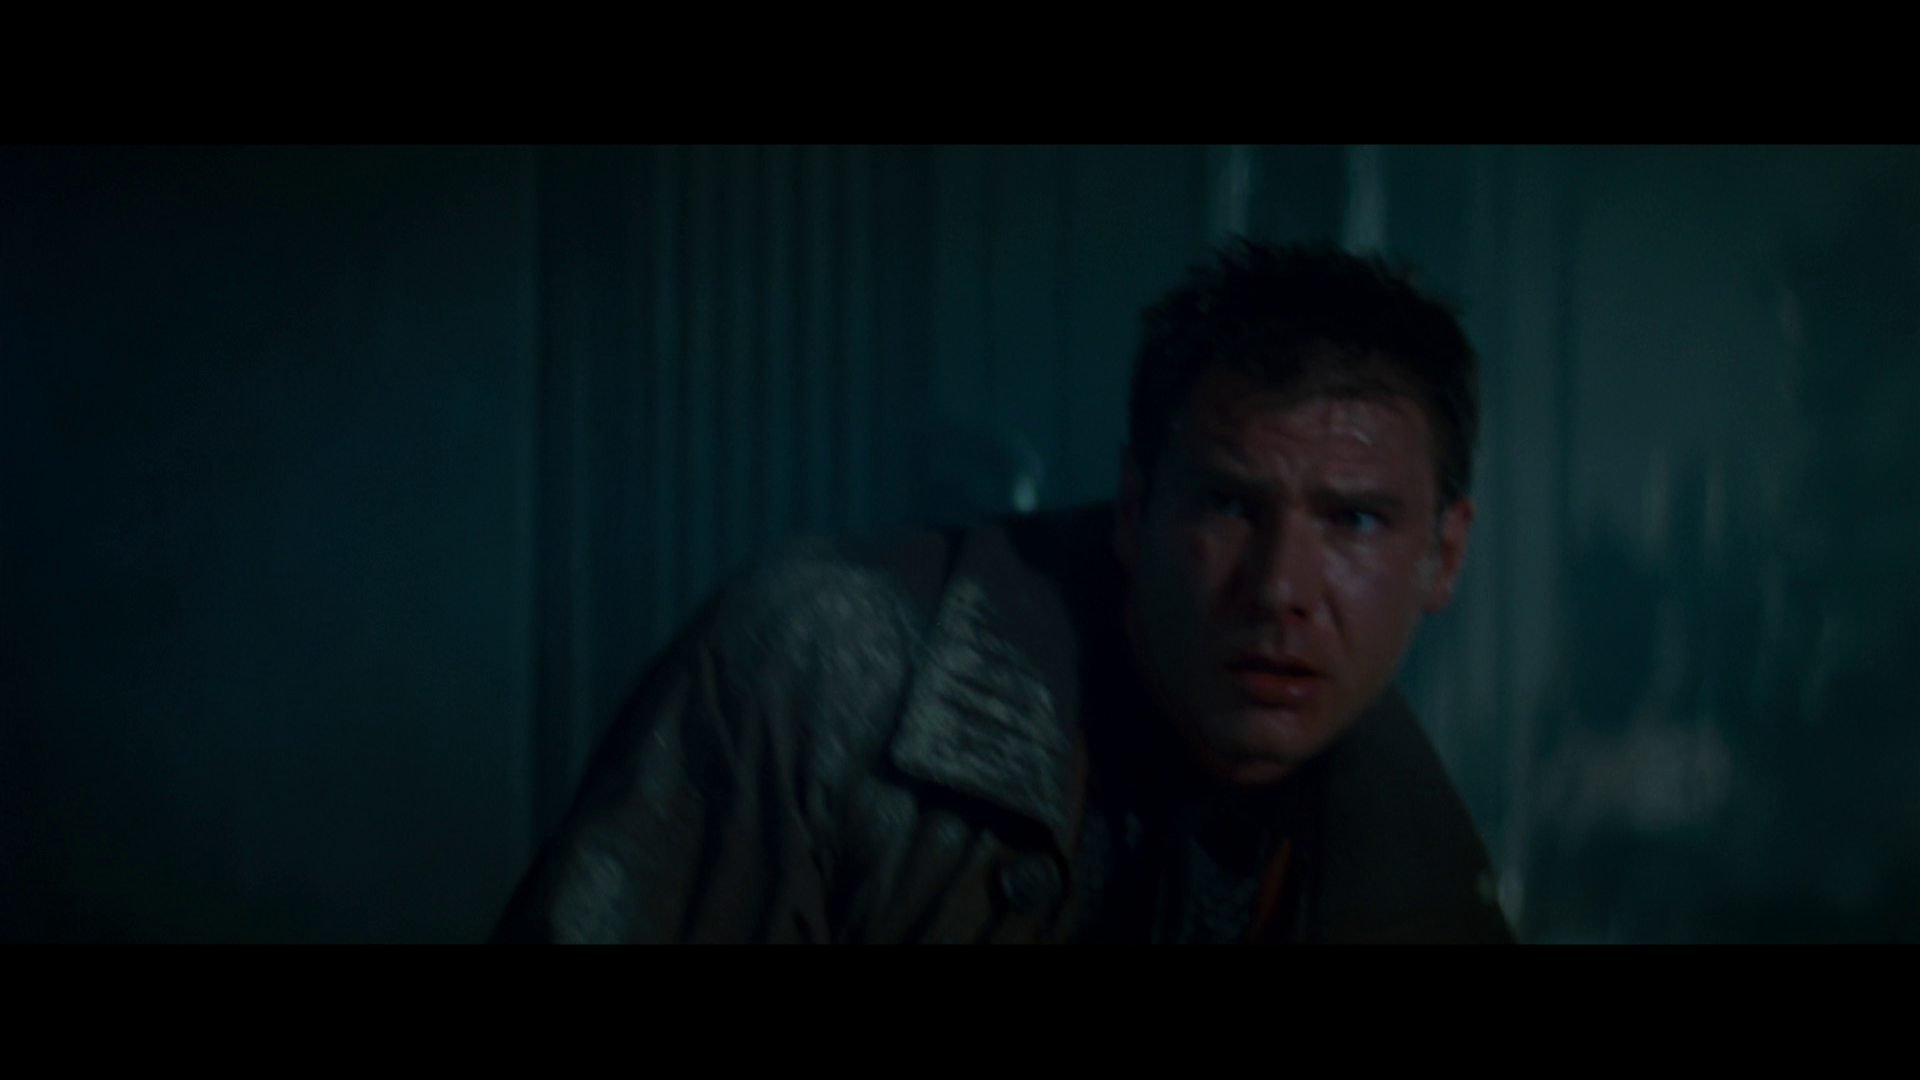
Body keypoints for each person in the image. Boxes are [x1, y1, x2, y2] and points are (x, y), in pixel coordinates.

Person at [494, 240, 1513, 944]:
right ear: (1135, 509)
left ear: (1446, 555)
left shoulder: (1415, 856)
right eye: (1228, 505)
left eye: (1355, 521)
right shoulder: (829, 666)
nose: (1281, 589)